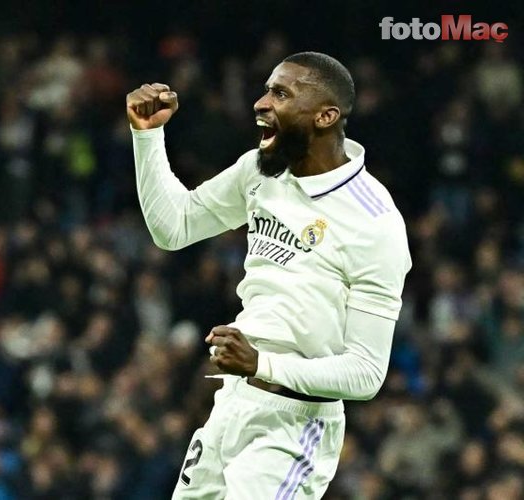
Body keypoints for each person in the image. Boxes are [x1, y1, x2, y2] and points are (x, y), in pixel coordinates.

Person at [126, 52, 411, 499]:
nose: (261, 103)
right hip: (233, 403)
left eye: (280, 93)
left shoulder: (375, 223)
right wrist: (147, 135)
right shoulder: (260, 170)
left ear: (325, 115)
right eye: (266, 90)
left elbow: (366, 373)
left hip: (295, 426)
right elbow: (174, 226)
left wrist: (263, 363)